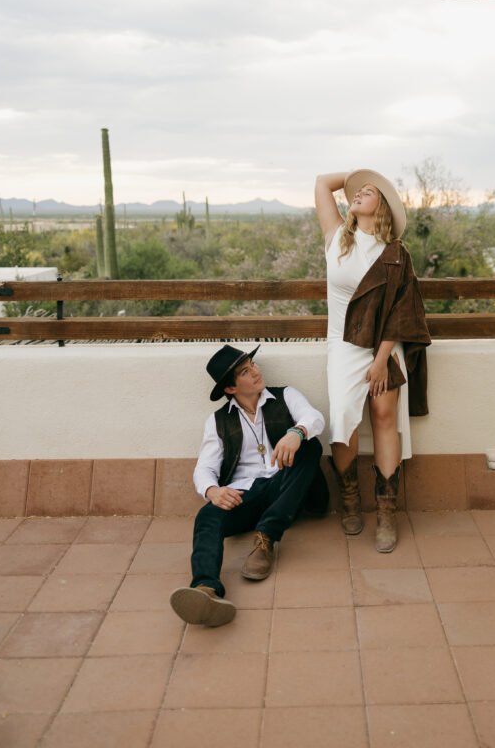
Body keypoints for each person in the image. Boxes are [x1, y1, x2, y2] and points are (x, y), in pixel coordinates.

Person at [169, 343, 328, 627]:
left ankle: (266, 538)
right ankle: (206, 590)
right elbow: (204, 468)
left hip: (289, 486)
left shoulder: (285, 395)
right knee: (208, 514)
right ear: (230, 388)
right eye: (245, 371)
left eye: (253, 365)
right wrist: (212, 490)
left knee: (310, 447)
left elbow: (314, 417)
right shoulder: (218, 421)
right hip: (249, 494)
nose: (256, 371)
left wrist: (297, 432)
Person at [314, 169, 431, 552]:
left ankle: (385, 512)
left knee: (383, 414)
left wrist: (382, 360)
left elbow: (401, 311)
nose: (358, 194)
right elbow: (320, 183)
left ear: (381, 205)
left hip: (384, 345)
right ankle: (349, 500)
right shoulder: (336, 238)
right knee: (344, 417)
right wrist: (357, 174)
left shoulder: (395, 253)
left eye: (368, 191)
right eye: (356, 192)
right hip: (344, 342)